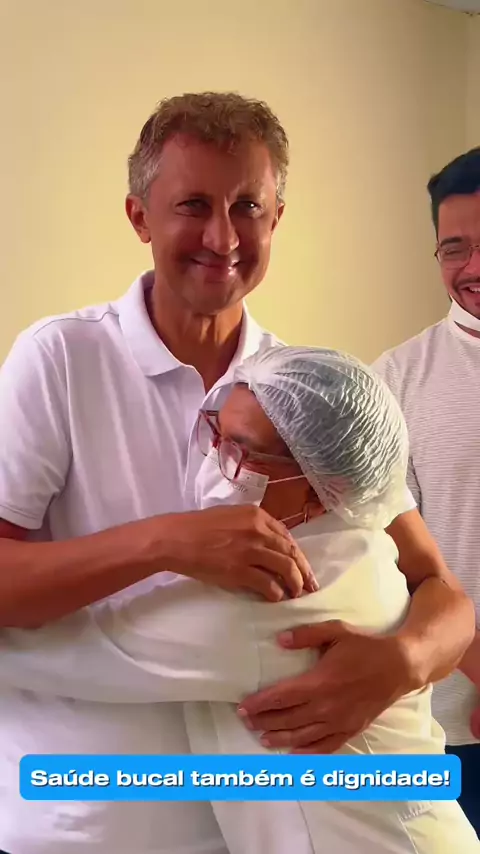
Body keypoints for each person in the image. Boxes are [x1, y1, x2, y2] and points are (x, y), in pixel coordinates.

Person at [0, 92, 474, 854]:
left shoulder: (310, 387)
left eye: (248, 206)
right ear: (139, 217)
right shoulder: (58, 360)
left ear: (277, 219)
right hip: (82, 829)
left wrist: (401, 662)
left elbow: (440, 590)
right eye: (193, 204)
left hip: (243, 830)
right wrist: (163, 542)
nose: (222, 237)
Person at [1, 346, 478, 853]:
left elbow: (38, 653)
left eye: (244, 452)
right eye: (217, 436)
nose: (217, 462)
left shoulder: (269, 600)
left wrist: (411, 657)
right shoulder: (363, 541)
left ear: (326, 486)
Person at [373, 146, 480, 836]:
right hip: (451, 726)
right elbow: (396, 560)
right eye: (454, 249)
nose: (472, 269)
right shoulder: (392, 380)